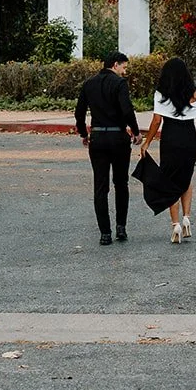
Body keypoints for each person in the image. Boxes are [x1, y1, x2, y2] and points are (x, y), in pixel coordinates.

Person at [136, 57, 196, 243]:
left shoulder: (161, 93)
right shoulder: (194, 93)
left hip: (170, 140)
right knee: (186, 178)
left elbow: (156, 121)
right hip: (189, 139)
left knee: (170, 181)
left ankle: (176, 224)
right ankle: (187, 217)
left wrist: (147, 143)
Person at [75, 51, 142, 245]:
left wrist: (84, 133)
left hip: (97, 138)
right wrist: (136, 132)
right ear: (115, 65)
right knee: (121, 183)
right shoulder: (119, 84)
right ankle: (121, 227)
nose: (124, 71)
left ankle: (105, 233)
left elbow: (79, 112)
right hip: (118, 137)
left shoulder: (89, 84)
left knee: (100, 186)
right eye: (123, 67)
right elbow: (127, 109)